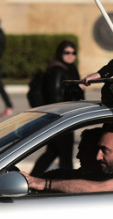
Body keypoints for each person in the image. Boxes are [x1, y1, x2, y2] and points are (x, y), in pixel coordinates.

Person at [22, 125, 113, 193]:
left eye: (105, 150)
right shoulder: (103, 172)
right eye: (97, 150)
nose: (98, 157)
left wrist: (45, 184)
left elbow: (97, 188)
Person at [30, 41, 85, 175]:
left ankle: (32, 178)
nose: (70, 56)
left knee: (53, 152)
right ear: (60, 53)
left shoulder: (70, 68)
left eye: (73, 53)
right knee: (65, 154)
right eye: (67, 52)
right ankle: (68, 181)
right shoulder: (57, 70)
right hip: (60, 117)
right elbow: (55, 98)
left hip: (66, 116)